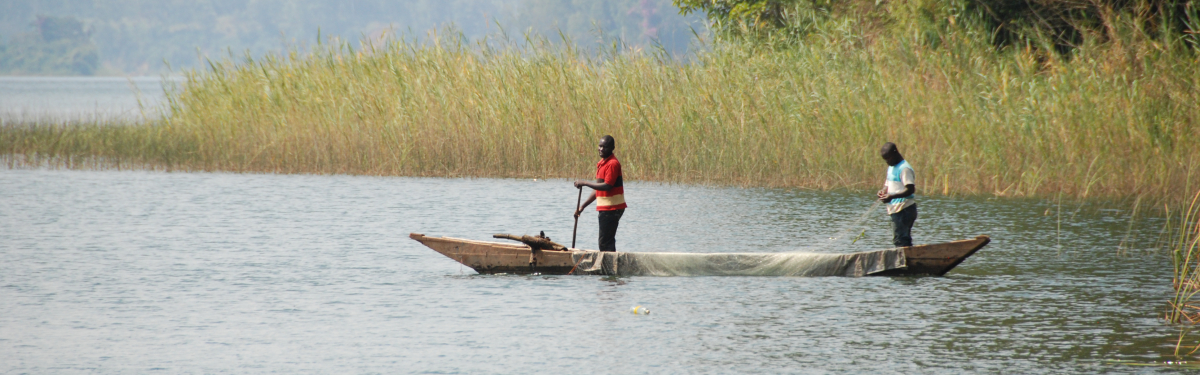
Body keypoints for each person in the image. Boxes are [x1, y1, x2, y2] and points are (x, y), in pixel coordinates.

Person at [574, 135, 626, 252]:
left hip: (612, 208)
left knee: (605, 242)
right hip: (606, 208)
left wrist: (585, 182)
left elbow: (607, 186)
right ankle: (609, 267)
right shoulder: (602, 163)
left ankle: (609, 269)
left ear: (612, 148)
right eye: (600, 146)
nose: (601, 149)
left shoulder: (612, 164)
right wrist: (582, 207)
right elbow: (598, 189)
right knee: (605, 241)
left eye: (605, 147)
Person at [877, 142, 917, 247]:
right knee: (900, 239)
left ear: (895, 154)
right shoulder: (891, 167)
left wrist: (892, 196)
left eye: (888, 158)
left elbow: (910, 189)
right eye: (885, 159)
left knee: (901, 240)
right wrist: (883, 191)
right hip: (895, 209)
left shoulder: (904, 169)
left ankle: (906, 262)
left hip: (904, 209)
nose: (887, 161)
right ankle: (907, 260)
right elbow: (888, 185)